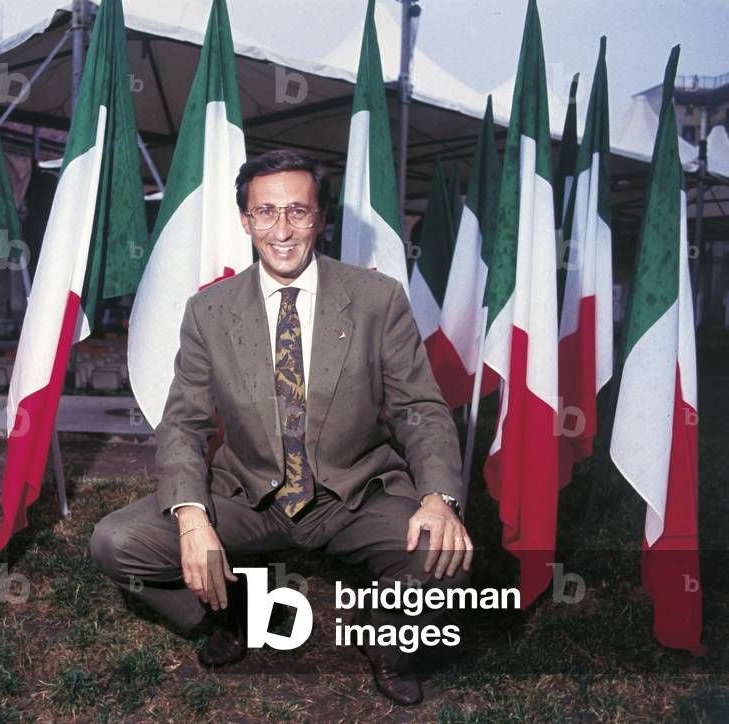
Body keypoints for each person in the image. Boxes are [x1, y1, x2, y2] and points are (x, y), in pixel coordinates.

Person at [91, 149, 471, 705]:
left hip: (354, 492)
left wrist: (438, 497)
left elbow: (421, 408)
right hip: (248, 495)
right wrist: (192, 518)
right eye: (265, 212)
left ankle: (386, 637)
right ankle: (228, 611)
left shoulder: (377, 299)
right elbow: (183, 423)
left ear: (320, 218)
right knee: (116, 541)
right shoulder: (208, 311)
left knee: (445, 553)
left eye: (297, 211)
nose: (283, 229)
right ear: (246, 221)